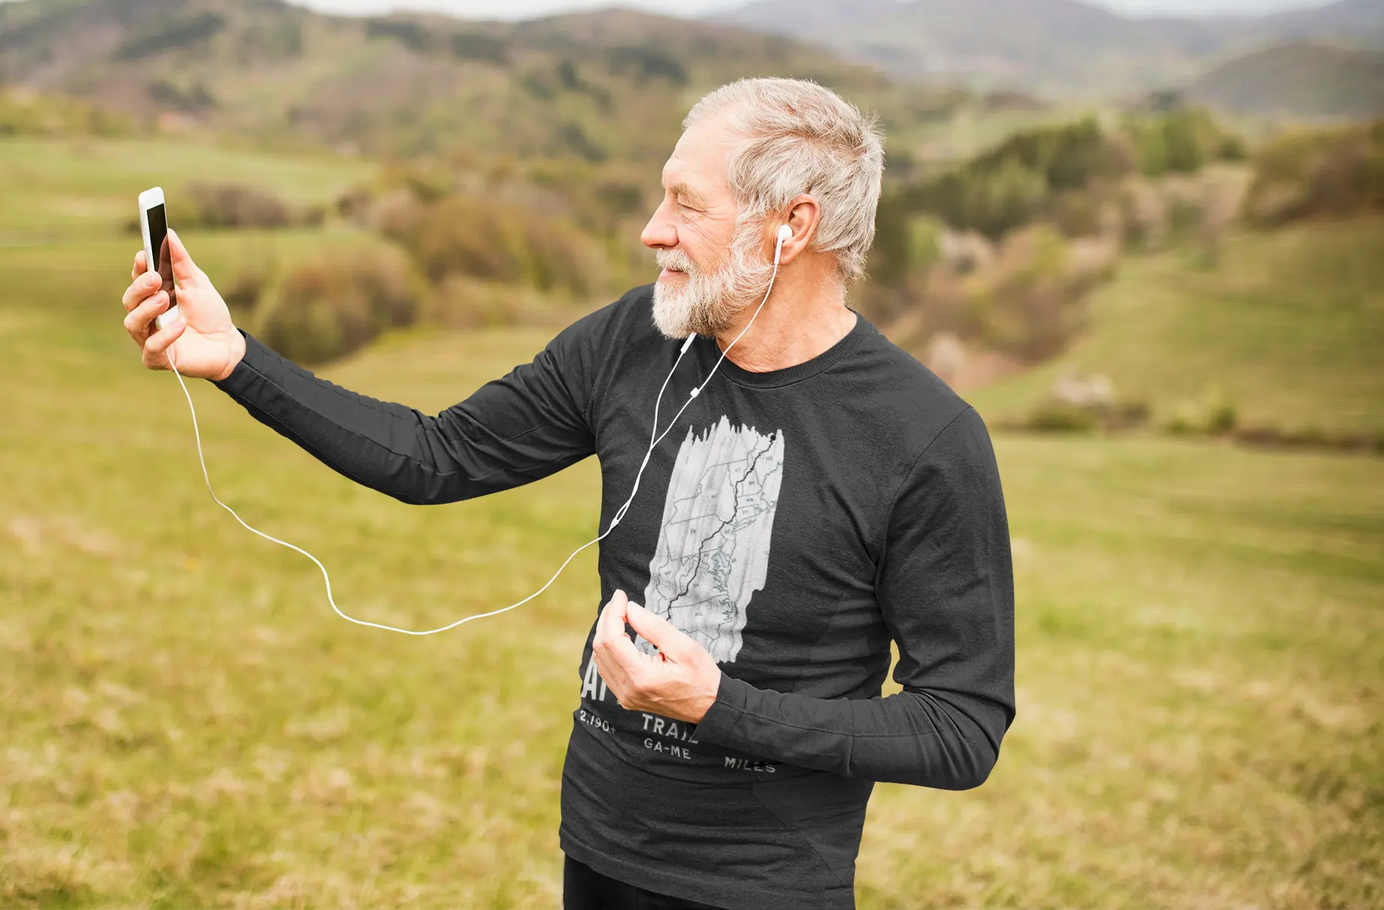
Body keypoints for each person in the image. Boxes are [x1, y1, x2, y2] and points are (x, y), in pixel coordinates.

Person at [119, 76, 1015, 910]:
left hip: (764, 883)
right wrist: (236, 358)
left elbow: (959, 726)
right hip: (597, 844)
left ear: (791, 225)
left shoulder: (924, 438)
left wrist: (718, 706)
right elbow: (434, 455)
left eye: (686, 203)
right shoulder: (631, 340)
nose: (652, 230)